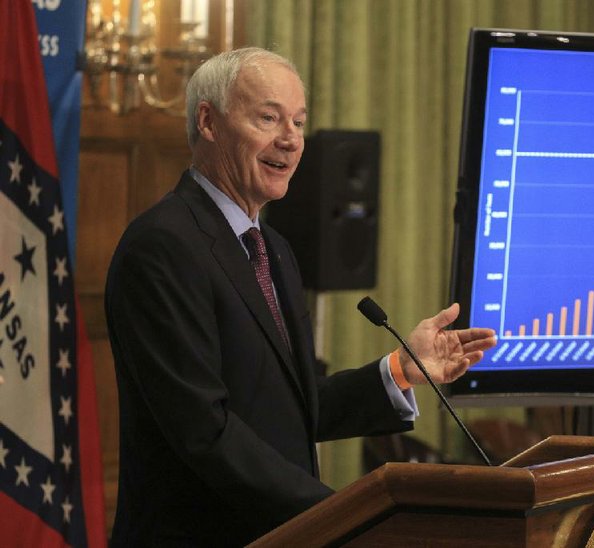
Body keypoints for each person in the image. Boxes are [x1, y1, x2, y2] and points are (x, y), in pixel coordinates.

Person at [104, 47, 496, 547]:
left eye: (298, 121)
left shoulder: (274, 251)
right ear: (208, 121)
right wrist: (341, 514)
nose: (290, 140)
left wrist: (400, 370)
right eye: (268, 118)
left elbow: (287, 406)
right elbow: (206, 431)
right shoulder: (162, 247)